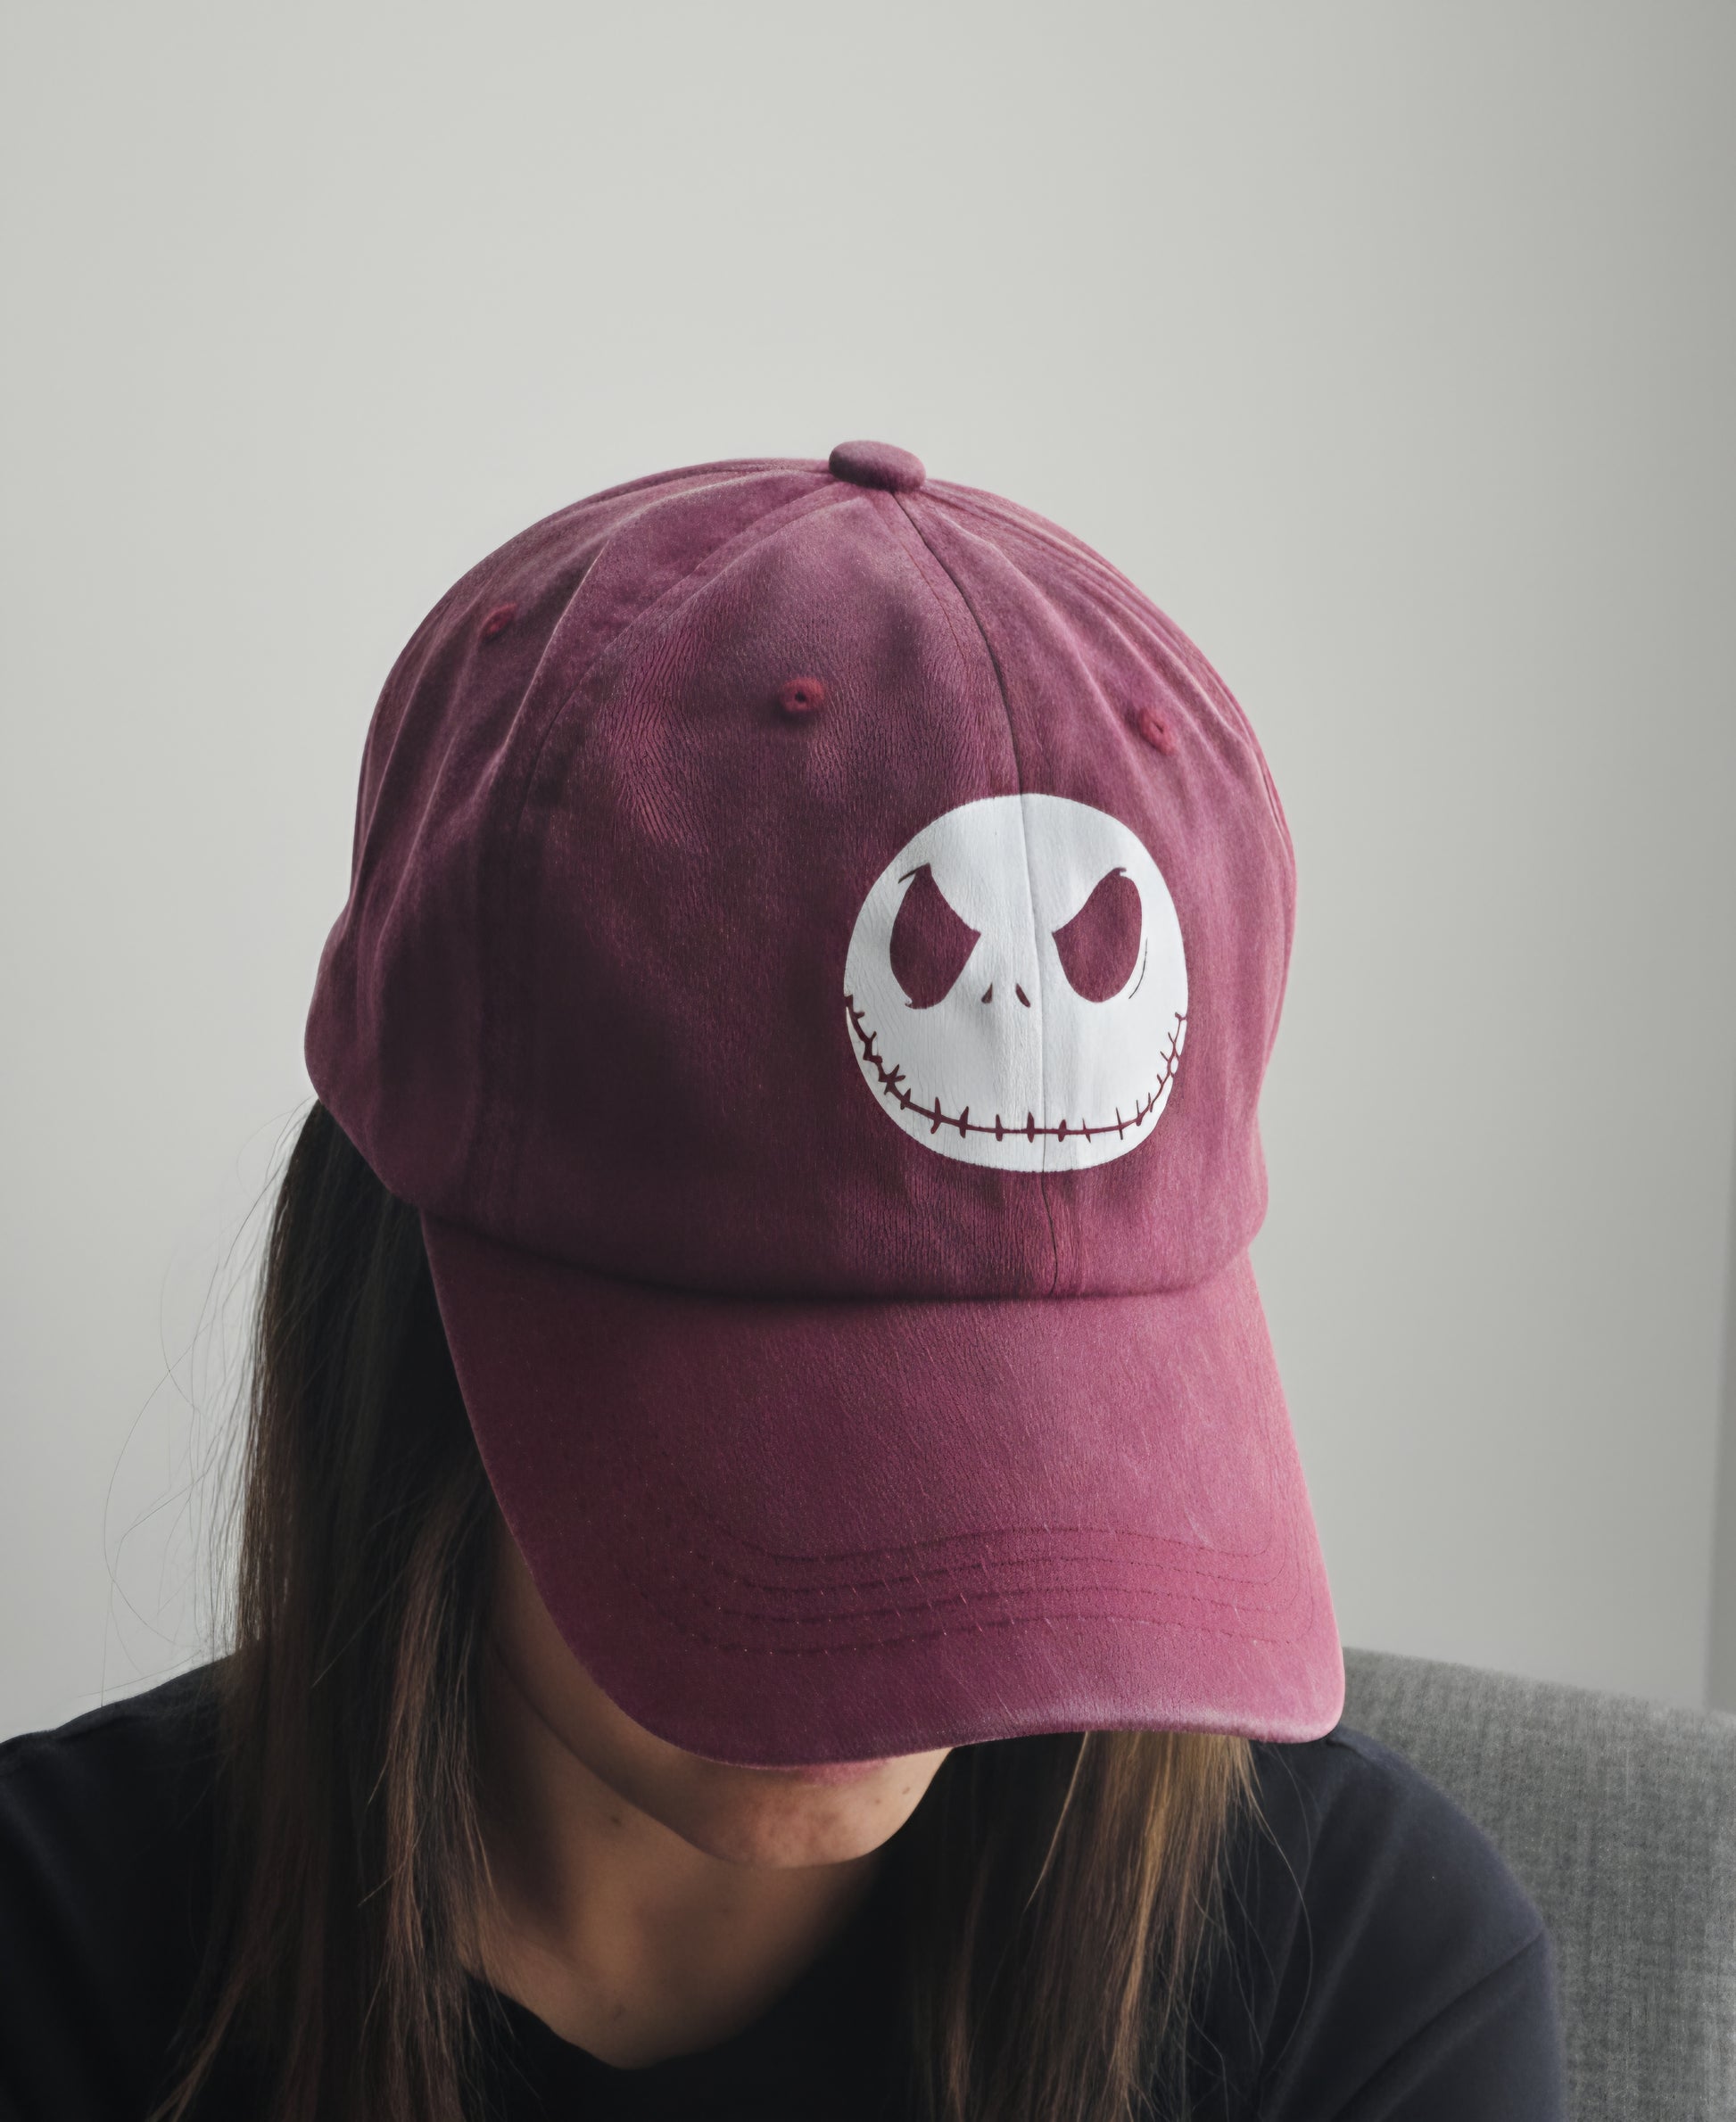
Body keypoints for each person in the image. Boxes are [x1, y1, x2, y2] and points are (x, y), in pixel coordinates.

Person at [0, 442, 1566, 2121]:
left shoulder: (1364, 1972)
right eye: (799, 1446)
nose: (919, 1615)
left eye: (1033, 1444)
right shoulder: (54, 1963)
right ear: (413, 1290)